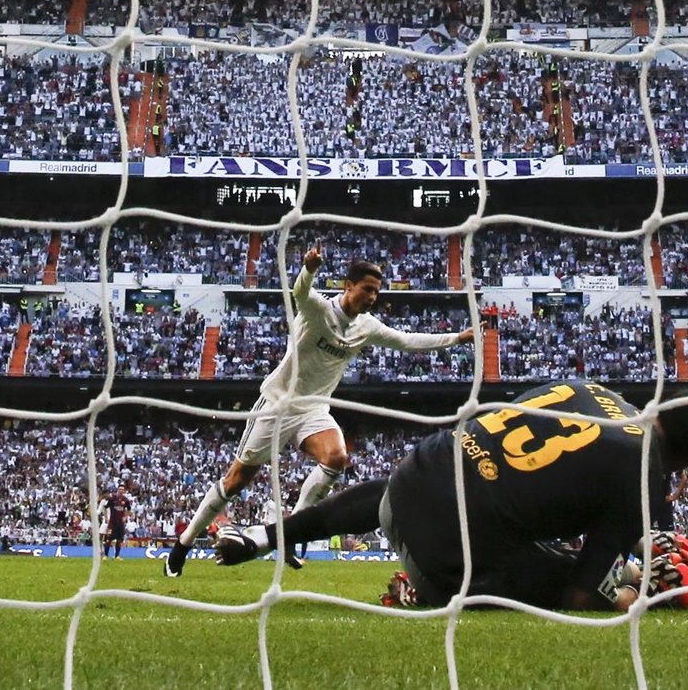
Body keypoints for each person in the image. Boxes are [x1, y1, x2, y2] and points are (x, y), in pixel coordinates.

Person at [212, 381, 688, 611]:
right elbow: (578, 596)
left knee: (440, 489)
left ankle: (265, 536)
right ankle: (420, 589)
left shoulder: (590, 390)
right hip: (447, 559)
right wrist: (638, 594)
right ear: (687, 461)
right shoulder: (644, 472)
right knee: (577, 577)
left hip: (413, 477)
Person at [164, 243, 478, 577]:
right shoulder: (318, 310)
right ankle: (183, 544)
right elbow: (300, 292)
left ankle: (286, 533)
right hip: (278, 404)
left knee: (337, 458)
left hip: (313, 409)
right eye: (367, 289)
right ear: (349, 286)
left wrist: (457, 338)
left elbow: (406, 340)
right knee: (236, 481)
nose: (372, 297)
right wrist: (309, 269)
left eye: (376, 291)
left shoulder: (367, 326)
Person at [100, 488, 131, 560]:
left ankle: (117, 556)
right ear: (118, 490)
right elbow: (105, 507)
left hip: (120, 523)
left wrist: (125, 517)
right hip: (112, 523)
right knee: (108, 539)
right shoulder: (112, 499)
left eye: (122, 489)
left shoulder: (125, 500)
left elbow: (129, 509)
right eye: (120, 489)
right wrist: (106, 517)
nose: (121, 491)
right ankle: (106, 555)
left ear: (124, 491)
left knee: (119, 540)